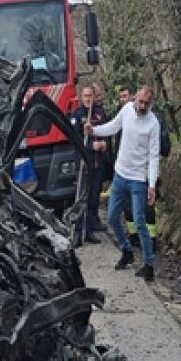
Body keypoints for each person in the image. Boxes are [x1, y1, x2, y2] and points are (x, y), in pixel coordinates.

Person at [85, 87, 161, 282]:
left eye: (146, 104)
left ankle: (148, 263)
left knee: (139, 221)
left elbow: (154, 156)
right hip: (120, 174)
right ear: (135, 99)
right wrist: (94, 131)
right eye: (140, 102)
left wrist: (151, 184)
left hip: (137, 178)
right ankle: (126, 250)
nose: (142, 106)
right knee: (111, 217)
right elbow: (112, 127)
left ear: (150, 104)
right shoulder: (127, 110)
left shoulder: (153, 124)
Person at [69, 85, 109, 244]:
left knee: (94, 198)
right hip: (83, 164)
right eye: (85, 96)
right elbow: (74, 140)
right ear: (82, 97)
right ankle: (77, 232)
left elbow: (106, 132)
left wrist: (104, 144)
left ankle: (90, 230)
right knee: (81, 198)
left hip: (97, 164)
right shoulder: (76, 116)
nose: (87, 99)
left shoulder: (99, 114)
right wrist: (90, 145)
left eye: (90, 96)